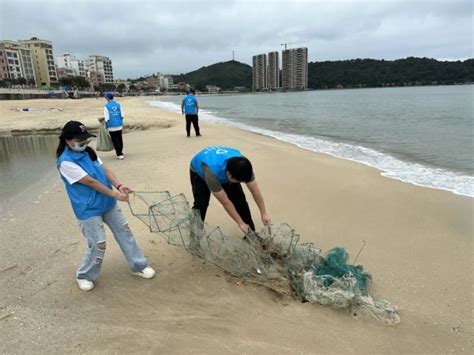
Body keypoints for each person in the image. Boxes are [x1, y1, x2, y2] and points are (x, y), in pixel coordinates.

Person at [56, 120, 155, 291]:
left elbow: (105, 170)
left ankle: (139, 266)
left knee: (125, 232)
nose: (84, 143)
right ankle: (84, 275)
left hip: (107, 202)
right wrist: (117, 195)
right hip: (88, 209)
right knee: (98, 244)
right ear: (67, 139)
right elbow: (91, 182)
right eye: (79, 140)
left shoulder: (89, 152)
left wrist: (119, 185)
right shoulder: (65, 162)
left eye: (85, 139)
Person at [190, 146, 271, 234]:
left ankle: (250, 232)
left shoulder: (244, 166)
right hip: (199, 171)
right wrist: (240, 223)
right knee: (201, 204)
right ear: (228, 174)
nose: (240, 182)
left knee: (239, 200)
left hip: (225, 167)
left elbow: (255, 190)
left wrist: (264, 213)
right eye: (239, 181)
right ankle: (195, 236)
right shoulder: (212, 172)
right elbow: (226, 202)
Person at [100, 92, 125, 159]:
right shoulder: (118, 105)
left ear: (107, 98)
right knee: (119, 139)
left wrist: (106, 125)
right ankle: (120, 152)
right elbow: (122, 115)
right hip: (119, 124)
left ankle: (119, 154)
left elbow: (107, 118)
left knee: (115, 140)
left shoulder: (106, 106)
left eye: (105, 97)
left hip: (111, 125)